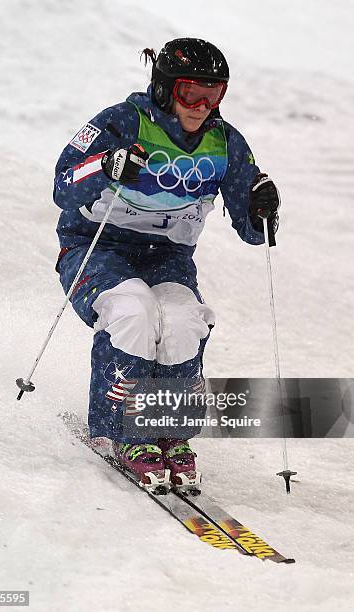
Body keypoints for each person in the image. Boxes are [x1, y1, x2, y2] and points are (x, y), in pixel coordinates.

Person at [53, 38, 280, 493]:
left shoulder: (224, 142)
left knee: (182, 320)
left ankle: (169, 432)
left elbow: (254, 232)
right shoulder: (122, 121)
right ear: (163, 88)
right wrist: (106, 165)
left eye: (214, 95)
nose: (201, 106)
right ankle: (118, 431)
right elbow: (63, 184)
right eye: (189, 93)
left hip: (168, 258)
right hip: (96, 249)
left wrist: (262, 208)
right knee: (133, 311)